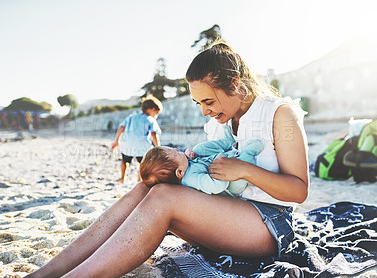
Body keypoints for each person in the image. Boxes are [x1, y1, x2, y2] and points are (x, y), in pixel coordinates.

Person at [25, 42, 309, 278]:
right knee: (146, 187)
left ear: (234, 84)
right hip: (228, 212)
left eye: (209, 102)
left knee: (163, 198)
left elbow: (298, 191)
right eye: (198, 103)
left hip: (270, 223)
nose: (204, 112)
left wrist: (244, 169)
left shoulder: (279, 113)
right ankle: (46, 273)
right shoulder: (220, 120)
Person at [139, 128, 264, 196]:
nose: (178, 150)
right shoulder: (192, 179)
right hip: (230, 185)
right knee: (238, 181)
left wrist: (189, 158)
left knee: (199, 149)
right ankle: (248, 153)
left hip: (214, 164)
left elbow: (195, 163)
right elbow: (217, 186)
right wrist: (219, 162)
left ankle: (226, 142)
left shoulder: (184, 167)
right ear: (179, 172)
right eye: (176, 153)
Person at [111, 95, 163, 183]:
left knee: (124, 160)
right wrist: (158, 147)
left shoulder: (131, 117)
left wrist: (117, 140)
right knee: (142, 164)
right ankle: (139, 180)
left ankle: (122, 178)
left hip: (127, 145)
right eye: (156, 113)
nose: (156, 116)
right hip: (141, 147)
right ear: (152, 109)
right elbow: (153, 134)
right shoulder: (150, 119)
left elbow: (121, 127)